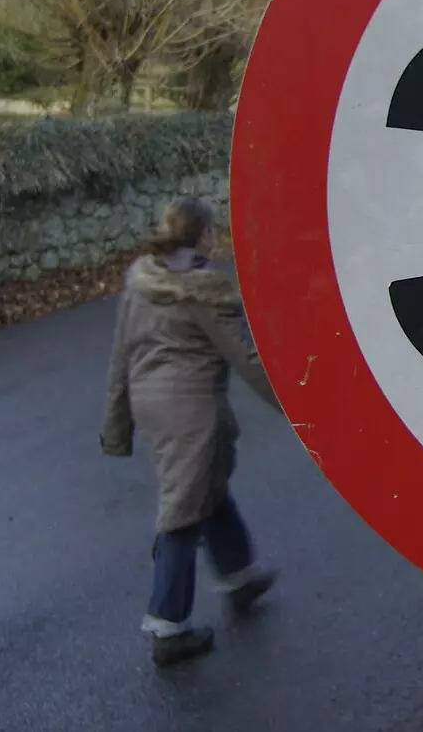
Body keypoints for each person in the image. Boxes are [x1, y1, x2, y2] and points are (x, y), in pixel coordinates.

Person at [98, 196, 283, 668]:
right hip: (192, 411)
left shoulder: (140, 280)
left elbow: (121, 356)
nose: (215, 237)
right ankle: (167, 625)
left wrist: (117, 426)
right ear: (201, 235)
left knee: (205, 486)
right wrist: (301, 408)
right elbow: (248, 359)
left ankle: (239, 574)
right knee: (183, 509)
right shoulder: (204, 292)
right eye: (211, 230)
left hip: (152, 407)